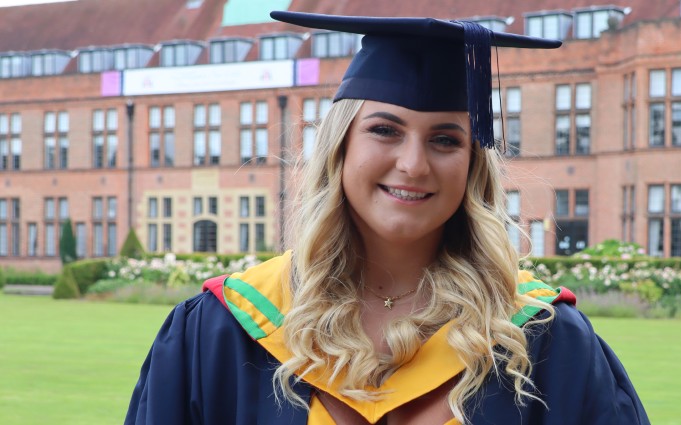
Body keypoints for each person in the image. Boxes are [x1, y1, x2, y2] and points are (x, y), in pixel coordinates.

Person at [125, 11, 650, 425]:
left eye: (446, 139)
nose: (413, 164)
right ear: (340, 148)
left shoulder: (543, 341)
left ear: (472, 164)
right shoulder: (221, 332)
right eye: (385, 130)